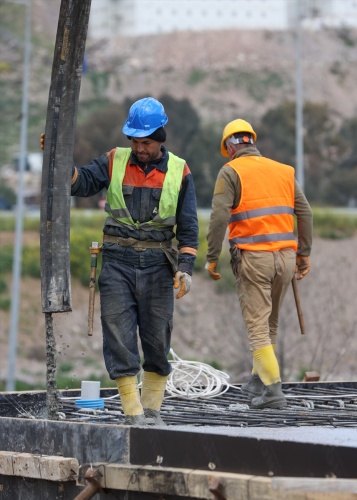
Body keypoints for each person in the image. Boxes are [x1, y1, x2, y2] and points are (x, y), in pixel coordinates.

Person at [41, 97, 199, 425]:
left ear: (160, 138)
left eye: (146, 143)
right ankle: (133, 412)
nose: (140, 149)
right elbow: (79, 183)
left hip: (158, 264)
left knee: (157, 337)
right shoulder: (114, 161)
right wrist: (55, 158)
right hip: (116, 261)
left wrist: (185, 268)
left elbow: (188, 227)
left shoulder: (179, 171)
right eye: (135, 142)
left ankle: (152, 411)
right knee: (118, 332)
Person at [205, 119, 312, 409]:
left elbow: (218, 219)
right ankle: (258, 379)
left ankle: (274, 391)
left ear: (229, 148)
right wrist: (303, 254)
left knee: (257, 327)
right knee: (270, 321)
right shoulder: (284, 171)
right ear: (252, 141)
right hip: (286, 259)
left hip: (254, 258)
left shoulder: (230, 171)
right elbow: (305, 213)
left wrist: (212, 258)